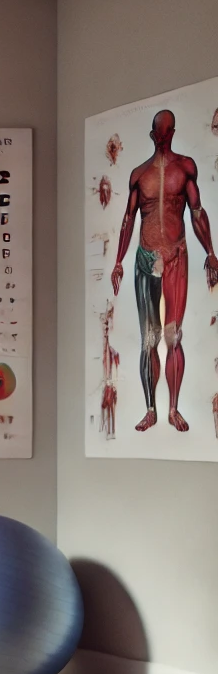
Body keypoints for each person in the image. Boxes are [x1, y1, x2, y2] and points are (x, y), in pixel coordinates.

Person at [111, 109, 217, 432]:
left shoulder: (184, 168)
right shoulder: (139, 174)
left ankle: (173, 408)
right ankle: (151, 408)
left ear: (170, 132)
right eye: (157, 131)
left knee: (173, 337)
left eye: (164, 131)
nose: (160, 136)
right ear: (153, 134)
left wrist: (211, 252)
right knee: (148, 340)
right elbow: (129, 219)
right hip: (145, 260)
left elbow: (197, 212)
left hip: (176, 258)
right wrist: (117, 260)